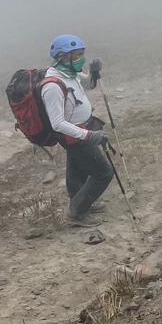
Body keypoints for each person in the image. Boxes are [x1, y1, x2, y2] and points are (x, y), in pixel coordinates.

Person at [40, 35, 112, 228]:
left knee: (77, 169)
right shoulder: (52, 86)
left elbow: (87, 84)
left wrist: (94, 72)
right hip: (76, 135)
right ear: (63, 57)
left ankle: (81, 200)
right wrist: (88, 135)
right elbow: (57, 123)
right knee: (103, 173)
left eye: (82, 54)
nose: (82, 58)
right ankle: (77, 213)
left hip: (81, 131)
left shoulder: (70, 74)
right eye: (78, 55)